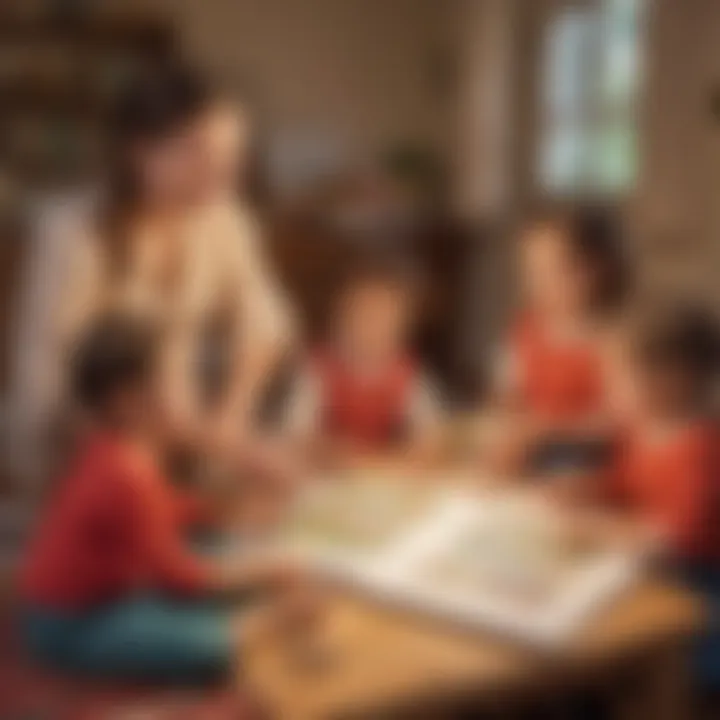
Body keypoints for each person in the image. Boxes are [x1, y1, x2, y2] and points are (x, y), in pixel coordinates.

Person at [8, 63, 292, 488]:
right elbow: (47, 388)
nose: (220, 172)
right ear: (139, 151)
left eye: (231, 155)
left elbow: (266, 320)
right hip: (76, 456)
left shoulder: (221, 217)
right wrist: (208, 440)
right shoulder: (71, 232)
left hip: (178, 442)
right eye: (197, 152)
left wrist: (232, 415)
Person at [18, 314, 316, 683]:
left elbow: (166, 507)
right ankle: (271, 620)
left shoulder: (128, 449)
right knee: (206, 642)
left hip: (111, 589)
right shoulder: (124, 473)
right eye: (178, 377)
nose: (190, 389)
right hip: (70, 622)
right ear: (130, 401)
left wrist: (226, 512)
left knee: (218, 547)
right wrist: (270, 575)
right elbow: (182, 577)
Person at [607, 302, 720, 687]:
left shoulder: (703, 448)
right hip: (656, 572)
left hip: (698, 594)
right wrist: (585, 490)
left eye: (622, 378)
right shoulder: (647, 429)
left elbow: (680, 535)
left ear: (674, 379)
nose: (611, 390)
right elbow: (626, 482)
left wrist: (607, 533)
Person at [487, 209, 630, 482]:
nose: (539, 284)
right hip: (530, 452)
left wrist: (548, 429)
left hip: (589, 459)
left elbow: (619, 421)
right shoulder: (525, 331)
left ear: (593, 272)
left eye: (552, 271)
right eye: (532, 273)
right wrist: (510, 425)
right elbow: (506, 393)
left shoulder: (613, 339)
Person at [285, 254, 443, 468]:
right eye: (361, 317)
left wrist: (402, 455)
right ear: (338, 319)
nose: (370, 331)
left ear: (402, 328)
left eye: (384, 321)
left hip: (383, 473)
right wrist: (330, 451)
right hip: (328, 473)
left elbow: (430, 438)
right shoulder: (318, 372)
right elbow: (296, 436)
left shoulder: (407, 377)